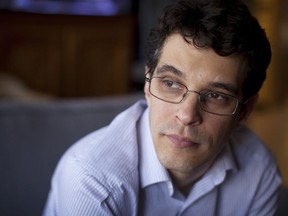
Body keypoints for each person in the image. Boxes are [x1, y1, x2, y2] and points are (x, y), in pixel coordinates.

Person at [43, 0, 282, 215]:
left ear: (244, 111)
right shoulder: (91, 180)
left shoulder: (259, 171)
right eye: (171, 83)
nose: (187, 115)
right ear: (147, 85)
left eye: (216, 96)